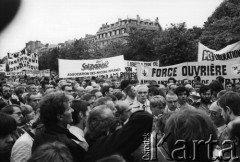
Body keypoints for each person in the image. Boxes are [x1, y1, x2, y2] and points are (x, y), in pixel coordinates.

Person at [83, 105, 153, 162]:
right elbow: (145, 118)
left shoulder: (90, 138)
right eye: (114, 115)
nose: (117, 118)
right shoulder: (107, 143)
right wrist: (129, 118)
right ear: (108, 125)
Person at [32, 91, 86, 162]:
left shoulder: (40, 131)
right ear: (60, 116)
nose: (72, 110)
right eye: (68, 109)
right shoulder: (66, 145)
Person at [217, 91, 240, 161]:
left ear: (228, 109)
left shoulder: (230, 128)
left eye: (221, 110)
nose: (221, 114)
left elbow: (227, 157)